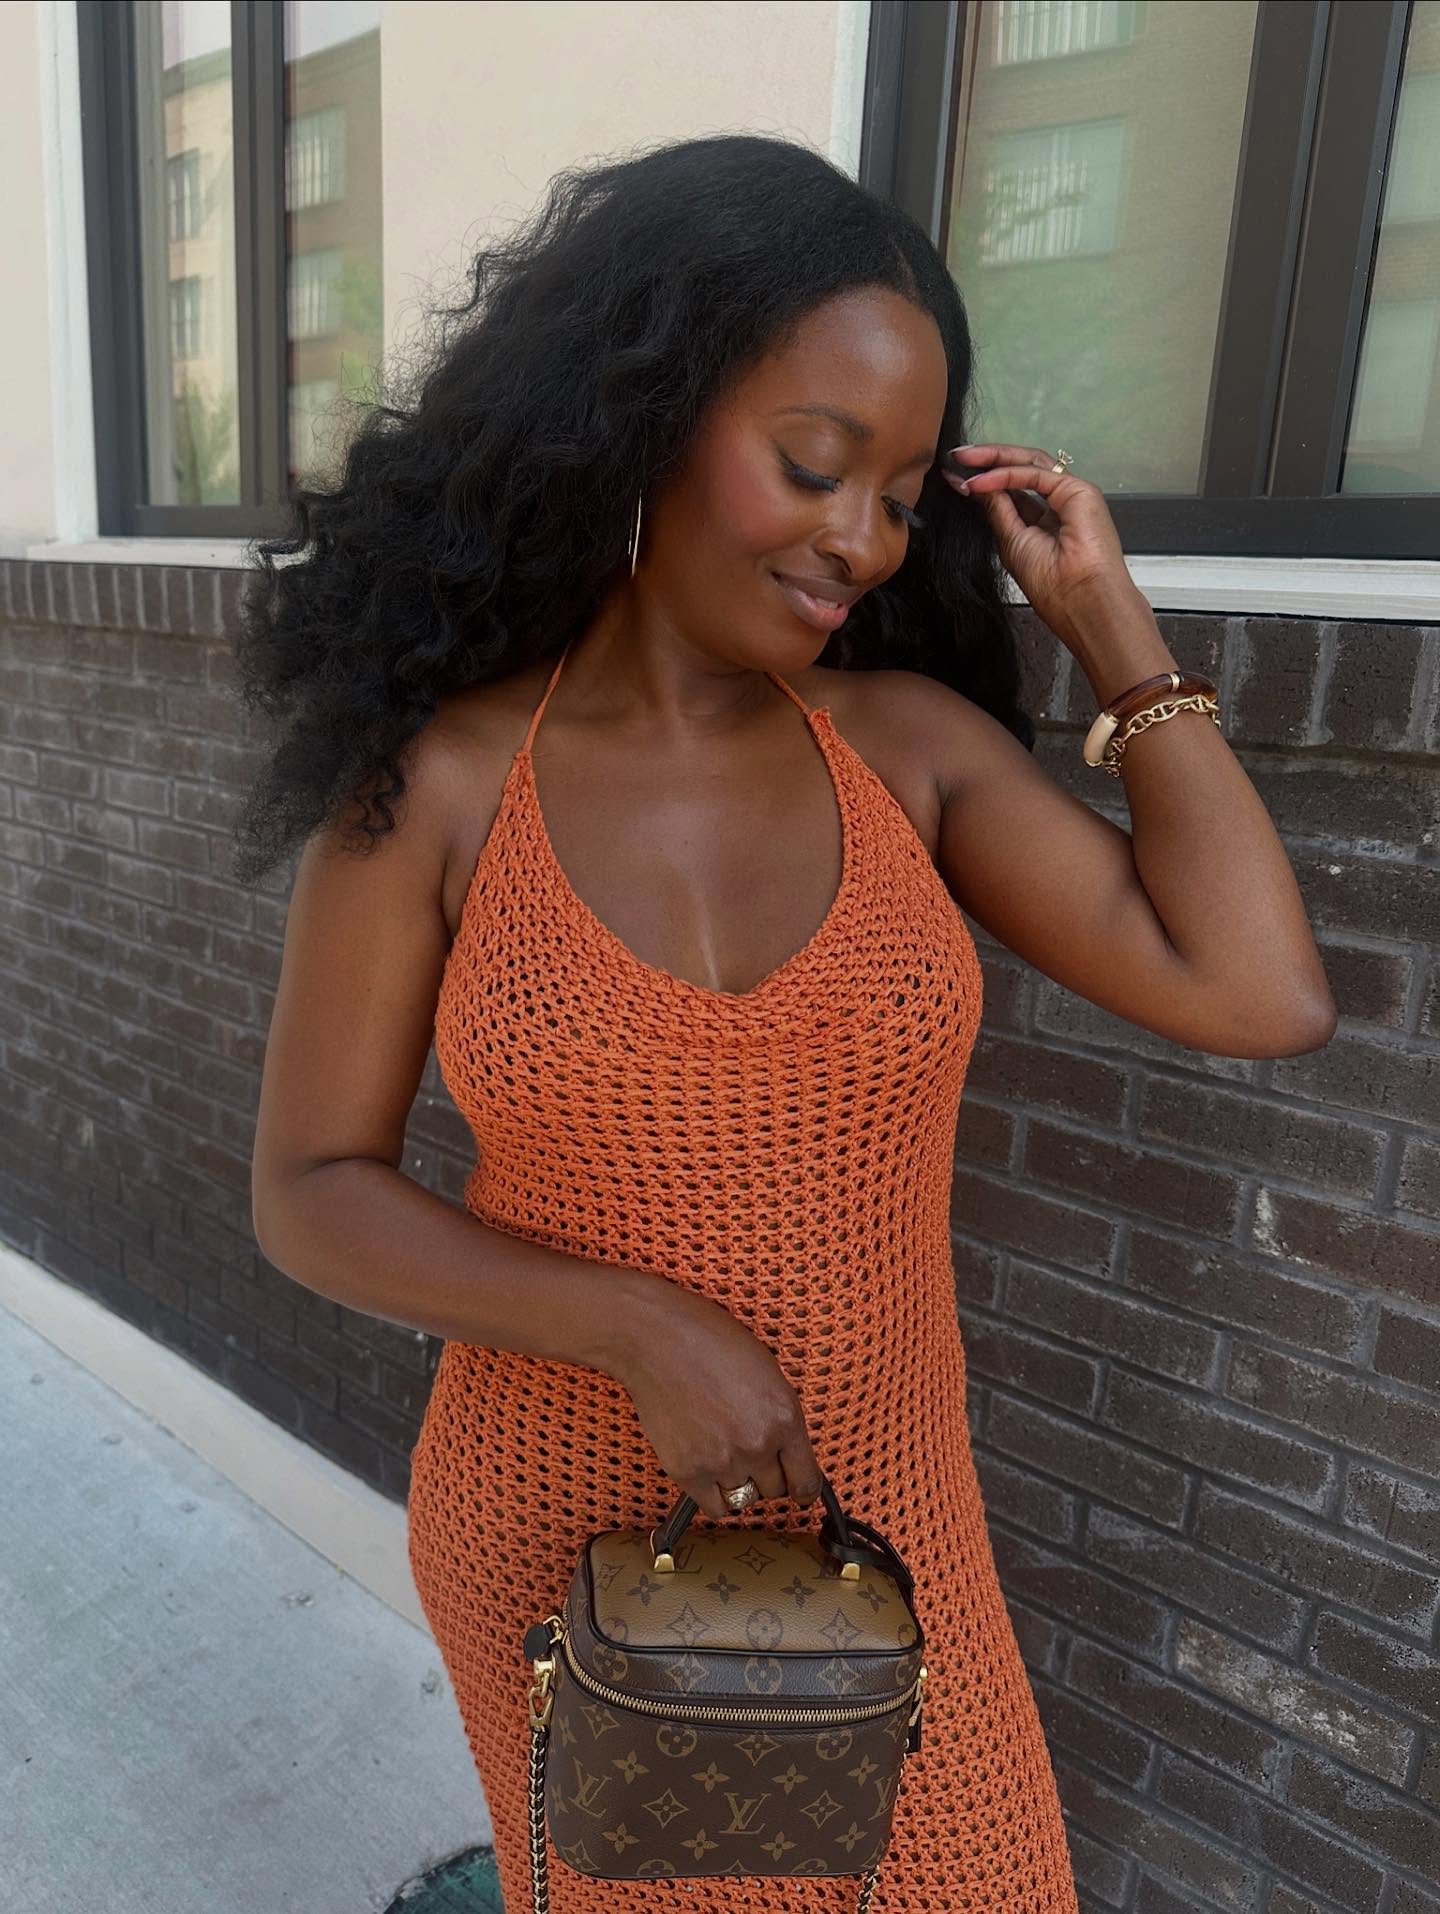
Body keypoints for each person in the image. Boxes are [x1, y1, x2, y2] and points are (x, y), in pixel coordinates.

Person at [242, 133, 1335, 1911]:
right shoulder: (442, 788)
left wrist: (1113, 633)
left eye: (901, 492)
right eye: (817, 465)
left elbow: (1258, 989)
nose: (861, 536)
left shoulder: (909, 754)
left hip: (885, 1535)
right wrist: (639, 1324)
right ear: (647, 420)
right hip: (569, 1536)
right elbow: (311, 1182)